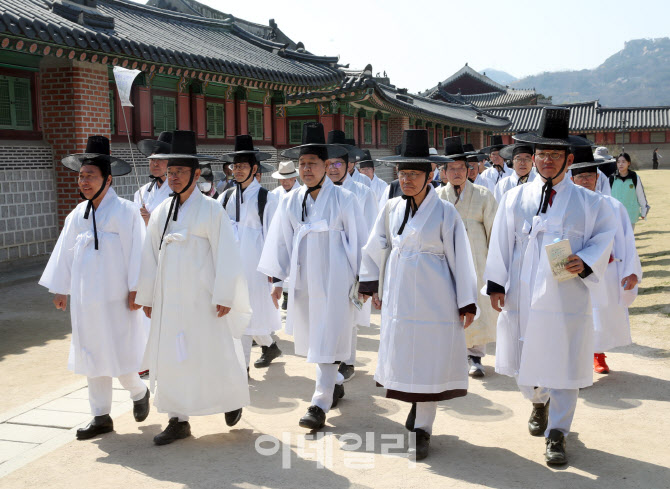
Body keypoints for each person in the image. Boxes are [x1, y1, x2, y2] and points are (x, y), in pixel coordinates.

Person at [484, 107, 617, 466]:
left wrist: (586, 259)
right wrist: (497, 283)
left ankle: (558, 431)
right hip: (524, 291)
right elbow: (500, 241)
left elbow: (607, 235)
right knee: (526, 352)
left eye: (553, 155)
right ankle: (537, 400)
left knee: (565, 355)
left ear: (568, 159)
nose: (545, 161)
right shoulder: (515, 197)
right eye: (540, 154)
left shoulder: (591, 203)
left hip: (565, 293)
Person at [358, 129, 478, 460]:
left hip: (434, 296)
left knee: (429, 358)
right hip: (399, 296)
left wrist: (466, 300)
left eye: (414, 173)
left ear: (429, 175)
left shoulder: (445, 213)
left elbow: (461, 259)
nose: (407, 179)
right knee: (406, 354)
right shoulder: (391, 207)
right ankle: (414, 406)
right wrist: (370, 282)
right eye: (402, 173)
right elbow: (376, 244)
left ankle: (423, 427)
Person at [135, 130, 252, 446]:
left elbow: (227, 253)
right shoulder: (161, 211)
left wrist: (225, 293)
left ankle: (231, 399)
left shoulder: (212, 209)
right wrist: (147, 295)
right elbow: (149, 256)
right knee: (172, 357)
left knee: (213, 352)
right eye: (170, 172)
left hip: (203, 298)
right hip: (170, 301)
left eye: (179, 172)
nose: (173, 177)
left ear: (195, 174)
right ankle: (177, 419)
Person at [258, 122, 367, 431]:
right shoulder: (291, 200)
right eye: (302, 164)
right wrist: (277, 279)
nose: (306, 169)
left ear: (326, 166)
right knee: (315, 334)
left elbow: (359, 241)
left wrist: (365, 281)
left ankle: (319, 402)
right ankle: (333, 385)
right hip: (305, 277)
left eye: (312, 164)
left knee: (329, 333)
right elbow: (281, 239)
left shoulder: (345, 200)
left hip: (337, 277)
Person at [39, 135, 150, 440]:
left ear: (108, 179)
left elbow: (138, 251)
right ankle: (100, 416)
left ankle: (139, 392)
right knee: (92, 355)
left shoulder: (126, 211)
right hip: (86, 300)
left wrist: (137, 288)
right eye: (81, 176)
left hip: (118, 299)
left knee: (120, 352)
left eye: (91, 176)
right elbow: (65, 253)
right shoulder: (78, 214)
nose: (84, 181)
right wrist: (61, 289)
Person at [568, 146, 642, 374]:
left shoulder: (612, 206)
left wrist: (631, 271)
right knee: (575, 316)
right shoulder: (565, 207)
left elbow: (626, 241)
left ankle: (598, 355)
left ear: (597, 177)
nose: (585, 180)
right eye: (580, 176)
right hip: (573, 271)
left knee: (601, 314)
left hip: (606, 272)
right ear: (572, 179)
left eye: (590, 175)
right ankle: (577, 362)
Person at [219, 135, 282, 371]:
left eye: (243, 166)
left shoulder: (266, 198)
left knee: (251, 318)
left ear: (254, 169)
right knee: (237, 317)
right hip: (232, 267)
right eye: (235, 166)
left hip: (256, 268)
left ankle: (241, 370)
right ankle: (266, 348)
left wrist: (275, 276)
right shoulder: (225, 197)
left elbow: (274, 238)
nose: (237, 170)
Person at [436, 137, 498, 378]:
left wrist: (496, 267)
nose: (457, 172)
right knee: (449, 304)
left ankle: (475, 356)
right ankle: (454, 355)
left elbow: (494, 231)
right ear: (444, 171)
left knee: (477, 304)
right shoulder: (437, 196)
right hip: (447, 261)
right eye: (451, 168)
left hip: (477, 260)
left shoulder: (483, 195)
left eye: (462, 167)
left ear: (469, 169)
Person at [325, 130, 379, 382]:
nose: (333, 169)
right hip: (325, 263)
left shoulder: (362, 191)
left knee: (350, 312)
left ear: (348, 165)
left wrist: (366, 270)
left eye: (338, 163)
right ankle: (329, 358)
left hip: (351, 261)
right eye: (328, 164)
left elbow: (369, 230)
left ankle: (348, 360)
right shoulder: (319, 192)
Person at [135, 132, 173, 226]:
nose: (155, 164)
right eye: (152, 159)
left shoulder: (178, 190)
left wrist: (151, 221)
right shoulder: (141, 191)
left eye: (160, 159)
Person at [609, 152, 650, 229]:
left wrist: (644, 210)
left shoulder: (634, 177)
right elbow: (607, 196)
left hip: (630, 213)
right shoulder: (611, 178)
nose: (620, 164)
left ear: (629, 163)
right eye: (618, 162)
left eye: (623, 162)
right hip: (615, 213)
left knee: (629, 238)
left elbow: (640, 194)